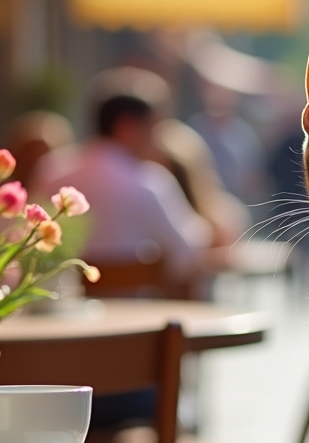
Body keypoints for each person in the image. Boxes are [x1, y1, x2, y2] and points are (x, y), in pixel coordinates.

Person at [33, 67, 213, 285]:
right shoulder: (150, 183)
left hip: (64, 308)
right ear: (127, 127)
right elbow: (188, 254)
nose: (158, 140)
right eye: (152, 129)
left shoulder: (51, 171)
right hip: (140, 312)